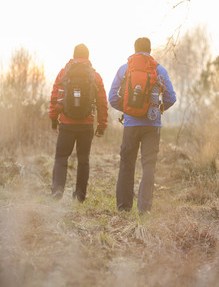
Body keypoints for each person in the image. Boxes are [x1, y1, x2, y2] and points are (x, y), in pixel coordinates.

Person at [108, 37, 176, 214]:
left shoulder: (125, 69)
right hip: (152, 126)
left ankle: (123, 208)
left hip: (130, 125)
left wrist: (128, 109)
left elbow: (112, 97)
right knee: (148, 166)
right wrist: (157, 109)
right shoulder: (159, 70)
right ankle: (144, 209)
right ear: (150, 50)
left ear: (135, 49)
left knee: (126, 164)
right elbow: (171, 97)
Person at [49, 44, 108, 201]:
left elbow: (55, 96)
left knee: (61, 157)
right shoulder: (95, 76)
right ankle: (80, 195)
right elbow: (102, 102)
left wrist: (54, 120)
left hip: (67, 124)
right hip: (86, 124)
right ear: (88, 57)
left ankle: (57, 190)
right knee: (83, 159)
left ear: (73, 56)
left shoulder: (63, 73)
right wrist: (101, 125)